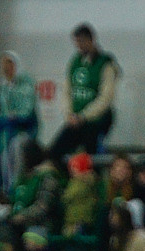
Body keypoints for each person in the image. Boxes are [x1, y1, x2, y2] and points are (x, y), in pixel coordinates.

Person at [50, 24, 120, 159]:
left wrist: (84, 116)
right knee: (55, 152)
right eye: (76, 42)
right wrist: (69, 114)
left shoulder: (106, 64)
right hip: (75, 120)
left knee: (90, 154)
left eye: (82, 41)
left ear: (91, 40)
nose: (79, 46)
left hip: (95, 120)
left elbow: (106, 97)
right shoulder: (75, 62)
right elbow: (66, 91)